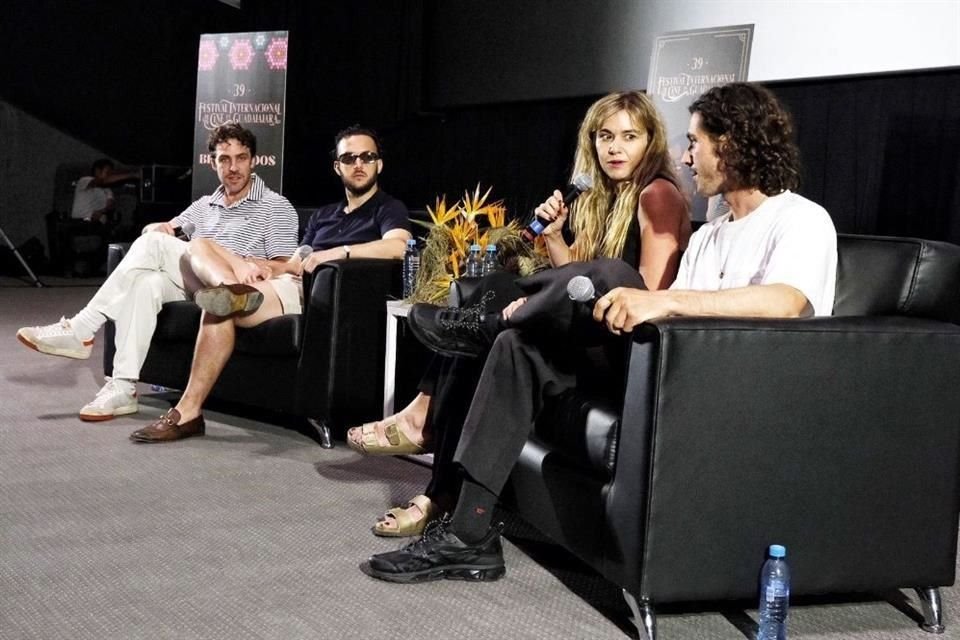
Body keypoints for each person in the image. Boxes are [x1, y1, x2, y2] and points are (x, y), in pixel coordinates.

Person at [360, 82, 838, 583]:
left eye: (695, 142)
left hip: (733, 390)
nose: (686, 155)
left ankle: (488, 321)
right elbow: (661, 314)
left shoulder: (800, 218)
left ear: (733, 143)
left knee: (609, 274)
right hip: (670, 370)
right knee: (517, 346)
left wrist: (662, 298)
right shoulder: (713, 233)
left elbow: (788, 300)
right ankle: (469, 533)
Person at [348, 90, 691, 537]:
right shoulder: (597, 199)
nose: (615, 148)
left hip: (628, 345)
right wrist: (552, 236)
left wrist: (534, 306)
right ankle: (439, 484)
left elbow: (640, 291)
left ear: (650, 142)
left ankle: (429, 422)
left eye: (629, 137)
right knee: (490, 290)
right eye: (605, 136)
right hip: (591, 333)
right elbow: (578, 280)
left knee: (509, 313)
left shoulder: (656, 194)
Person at [127, 124, 412, 443]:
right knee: (206, 262)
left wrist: (339, 252)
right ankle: (231, 292)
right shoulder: (325, 215)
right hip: (288, 282)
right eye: (349, 158)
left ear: (379, 164)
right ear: (337, 166)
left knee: (221, 305)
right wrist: (263, 267)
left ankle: (188, 412)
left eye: (367, 157)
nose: (358, 164)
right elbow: (294, 262)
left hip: (315, 296)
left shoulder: (388, 208)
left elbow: (399, 246)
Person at [17, 123, 299, 422]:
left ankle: (82, 329)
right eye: (224, 159)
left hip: (238, 287)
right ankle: (122, 387)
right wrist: (158, 228)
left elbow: (284, 265)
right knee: (145, 280)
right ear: (212, 162)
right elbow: (158, 233)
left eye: (241, 158)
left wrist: (252, 263)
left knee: (157, 259)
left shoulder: (275, 206)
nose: (233, 168)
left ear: (253, 161)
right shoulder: (205, 205)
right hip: (198, 283)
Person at [70, 158, 140, 223]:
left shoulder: (108, 190)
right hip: (79, 222)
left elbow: (110, 205)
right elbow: (101, 181)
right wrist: (131, 175)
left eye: (111, 173)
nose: (110, 176)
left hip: (97, 224)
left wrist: (101, 211)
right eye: (107, 172)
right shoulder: (84, 181)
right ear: (97, 171)